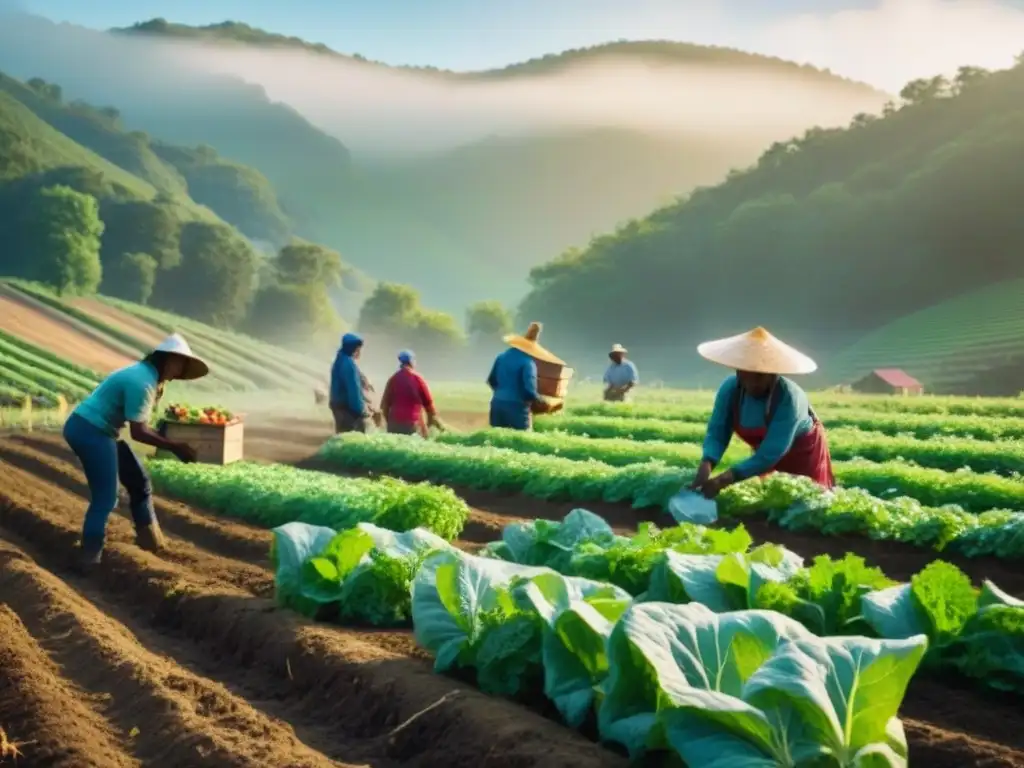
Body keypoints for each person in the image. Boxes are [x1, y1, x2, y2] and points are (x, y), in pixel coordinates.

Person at [63, 333, 208, 571]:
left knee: (139, 481)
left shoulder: (146, 376)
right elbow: (139, 432)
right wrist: (174, 447)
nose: (179, 372)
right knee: (106, 498)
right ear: (168, 360)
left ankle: (150, 540)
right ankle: (89, 556)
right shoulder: (142, 382)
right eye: (179, 364)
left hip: (99, 429)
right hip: (91, 431)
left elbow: (140, 422)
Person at [689, 326, 835, 499]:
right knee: (770, 500)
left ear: (772, 373)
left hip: (802, 454)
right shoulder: (730, 389)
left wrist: (724, 479)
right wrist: (707, 463)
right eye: (745, 374)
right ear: (738, 371)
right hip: (766, 456)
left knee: (806, 499)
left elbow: (771, 451)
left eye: (759, 376)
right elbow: (718, 431)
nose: (752, 383)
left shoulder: (789, 398)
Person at [487, 321, 562, 430]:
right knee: (520, 440)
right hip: (516, 408)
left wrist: (502, 395)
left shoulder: (501, 357)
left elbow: (491, 380)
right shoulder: (527, 363)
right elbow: (529, 391)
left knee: (498, 440)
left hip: (497, 405)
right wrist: (544, 403)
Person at [380, 350, 439, 436]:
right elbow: (428, 404)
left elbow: (384, 405)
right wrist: (430, 422)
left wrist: (388, 423)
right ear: (411, 361)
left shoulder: (393, 379)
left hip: (394, 423)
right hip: (412, 423)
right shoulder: (417, 378)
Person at [329, 332, 379, 433]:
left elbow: (358, 377)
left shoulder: (341, 358)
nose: (360, 352)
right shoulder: (349, 364)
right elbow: (353, 390)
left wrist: (364, 380)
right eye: (359, 349)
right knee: (355, 435)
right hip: (346, 408)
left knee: (342, 435)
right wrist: (361, 411)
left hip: (337, 405)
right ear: (354, 349)